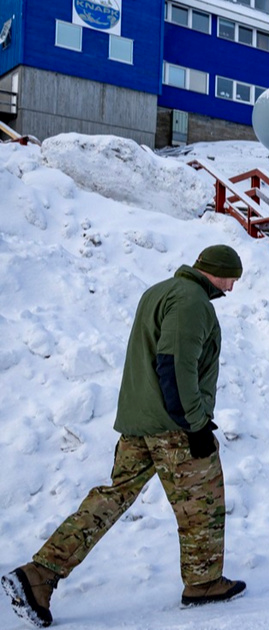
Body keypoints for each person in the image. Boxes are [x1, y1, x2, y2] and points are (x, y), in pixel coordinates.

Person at [3, 245, 247, 628]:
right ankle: (203, 583)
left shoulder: (160, 291)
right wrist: (195, 424)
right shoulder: (191, 301)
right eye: (232, 278)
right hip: (173, 425)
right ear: (216, 271)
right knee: (204, 499)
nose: (232, 288)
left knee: (112, 498)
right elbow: (173, 365)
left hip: (139, 420)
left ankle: (40, 574)